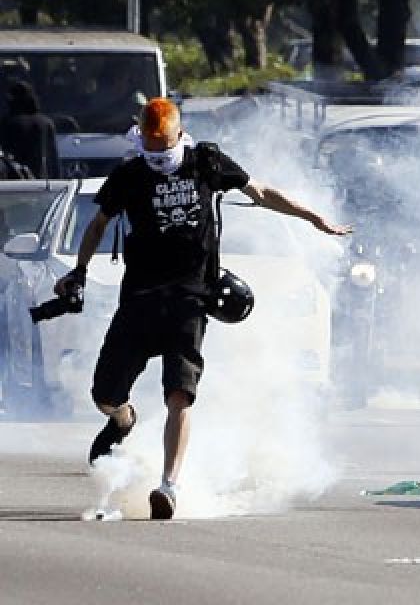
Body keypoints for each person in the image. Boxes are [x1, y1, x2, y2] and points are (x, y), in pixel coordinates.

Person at [53, 97, 350, 519]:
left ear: (179, 135)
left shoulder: (206, 161)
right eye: (150, 150)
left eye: (164, 149)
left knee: (180, 393)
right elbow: (99, 223)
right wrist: (79, 271)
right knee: (105, 394)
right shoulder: (129, 175)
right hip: (139, 298)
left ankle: (169, 486)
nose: (158, 158)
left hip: (190, 297)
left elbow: (261, 192)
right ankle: (121, 420)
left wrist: (313, 218)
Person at [1, 81, 59, 178]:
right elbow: (53, 161)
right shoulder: (46, 123)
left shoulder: (7, 123)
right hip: (41, 184)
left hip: (11, 184)